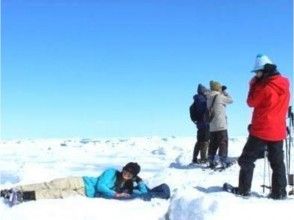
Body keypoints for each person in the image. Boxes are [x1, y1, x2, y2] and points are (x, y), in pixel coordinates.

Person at [231, 54, 290, 199]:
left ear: (265, 71)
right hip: (278, 131)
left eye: (257, 72)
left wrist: (252, 85)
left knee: (246, 159)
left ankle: (244, 190)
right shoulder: (284, 85)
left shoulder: (264, 87)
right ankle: (279, 193)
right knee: (277, 163)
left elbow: (251, 102)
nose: (256, 75)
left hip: (261, 130)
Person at [0, 162, 171, 206]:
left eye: (130, 174)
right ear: (123, 169)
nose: (127, 174)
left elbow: (143, 192)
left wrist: (139, 181)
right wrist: (115, 194)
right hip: (81, 181)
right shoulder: (111, 172)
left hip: (84, 193)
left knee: (54, 194)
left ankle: (23, 196)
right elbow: (101, 187)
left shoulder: (128, 184)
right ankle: (15, 189)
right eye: (126, 171)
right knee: (51, 185)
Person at [207, 80, 233, 169]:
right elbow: (231, 100)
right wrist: (224, 91)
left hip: (212, 126)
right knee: (223, 143)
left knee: (213, 144)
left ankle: (211, 160)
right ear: (218, 88)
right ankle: (223, 161)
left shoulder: (208, 97)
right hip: (221, 125)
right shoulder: (219, 96)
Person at [191, 84, 210, 164]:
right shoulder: (203, 100)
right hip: (205, 124)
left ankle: (194, 158)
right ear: (203, 91)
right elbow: (206, 110)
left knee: (199, 141)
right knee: (205, 141)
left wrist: (195, 121)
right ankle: (203, 159)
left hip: (199, 124)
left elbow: (192, 111)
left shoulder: (195, 101)